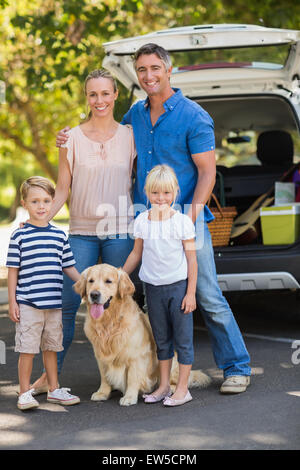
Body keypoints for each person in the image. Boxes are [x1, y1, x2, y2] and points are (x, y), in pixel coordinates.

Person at [56, 44, 251, 394]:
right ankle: (155, 374)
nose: (148, 76)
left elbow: (208, 172)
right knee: (148, 297)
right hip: (143, 222)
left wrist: (189, 217)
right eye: (142, 70)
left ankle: (237, 366)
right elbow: (107, 137)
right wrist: (68, 139)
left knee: (205, 294)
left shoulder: (193, 116)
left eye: (155, 68)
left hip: (185, 223)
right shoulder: (135, 115)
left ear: (168, 70)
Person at [30, 69, 138, 393]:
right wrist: (41, 218)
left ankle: (128, 373)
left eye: (106, 93)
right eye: (93, 94)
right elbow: (63, 188)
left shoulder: (131, 135)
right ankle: (49, 378)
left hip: (121, 230)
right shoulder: (71, 138)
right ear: (86, 97)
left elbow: (137, 180)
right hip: (81, 232)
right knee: (64, 303)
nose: (100, 100)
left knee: (123, 303)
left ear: (116, 95)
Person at [123, 165, 197, 406]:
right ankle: (164, 386)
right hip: (153, 289)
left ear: (176, 191)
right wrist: (121, 275)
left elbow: (191, 259)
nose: (161, 198)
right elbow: (136, 253)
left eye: (166, 193)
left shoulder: (183, 222)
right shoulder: (142, 220)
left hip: (178, 289)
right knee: (161, 340)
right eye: (155, 193)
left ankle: (182, 389)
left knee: (183, 340)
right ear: (146, 192)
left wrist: (191, 293)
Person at [6, 176, 81, 410]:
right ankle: (25, 392)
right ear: (24, 204)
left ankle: (54, 389)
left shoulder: (59, 236)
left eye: (46, 201)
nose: (41, 206)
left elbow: (69, 267)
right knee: (27, 350)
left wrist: (87, 284)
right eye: (35, 201)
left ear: (53, 203)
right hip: (28, 303)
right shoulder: (19, 235)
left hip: (53, 305)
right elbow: (12, 271)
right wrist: (12, 302)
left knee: (51, 348)